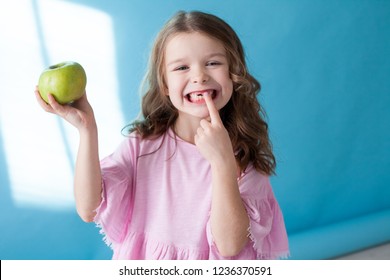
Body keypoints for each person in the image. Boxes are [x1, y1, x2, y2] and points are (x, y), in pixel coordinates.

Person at [35, 10, 289, 260]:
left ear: (233, 74)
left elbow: (230, 246)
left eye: (213, 63)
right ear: (165, 85)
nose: (199, 76)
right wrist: (87, 129)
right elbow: (88, 208)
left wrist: (222, 161)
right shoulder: (141, 146)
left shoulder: (243, 157)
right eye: (181, 67)